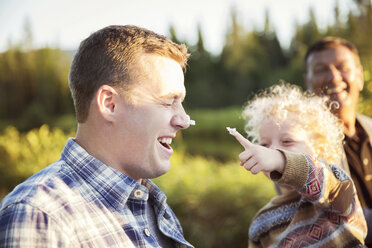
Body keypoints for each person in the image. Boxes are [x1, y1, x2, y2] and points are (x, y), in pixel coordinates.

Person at [0, 25, 194, 248]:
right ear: (109, 104)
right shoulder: (38, 217)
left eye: (181, 103)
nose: (183, 120)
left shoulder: (151, 204)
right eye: (169, 101)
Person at [227, 83, 367, 247]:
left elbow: (318, 176)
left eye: (287, 141)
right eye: (264, 145)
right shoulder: (261, 223)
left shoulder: (336, 187)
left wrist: (280, 159)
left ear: (319, 148)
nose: (273, 150)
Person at [305, 36, 372, 245]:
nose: (333, 77)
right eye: (321, 70)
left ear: (360, 77)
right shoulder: (300, 146)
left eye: (342, 66)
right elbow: (330, 223)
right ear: (308, 83)